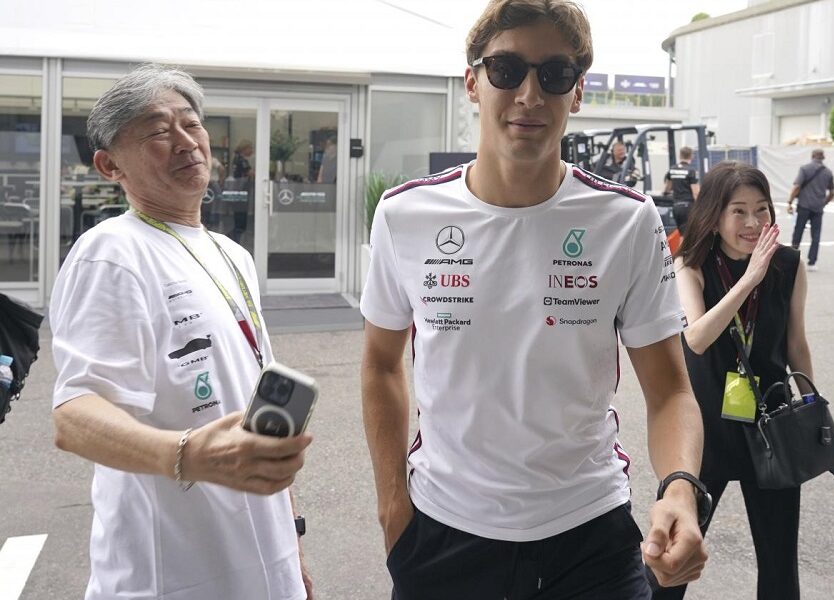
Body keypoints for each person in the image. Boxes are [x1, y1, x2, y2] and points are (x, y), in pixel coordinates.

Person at [360, 1, 708, 598]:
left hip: (588, 534)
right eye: (506, 69)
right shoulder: (404, 215)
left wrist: (679, 487)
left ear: (577, 92)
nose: (529, 95)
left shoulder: (626, 220)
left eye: (554, 74)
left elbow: (671, 389)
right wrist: (392, 504)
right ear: (473, 82)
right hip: (443, 532)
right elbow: (380, 363)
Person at [49, 64, 313, 600]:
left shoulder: (231, 254)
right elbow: (74, 416)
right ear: (109, 165)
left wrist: (292, 544)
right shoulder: (113, 252)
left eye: (191, 124)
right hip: (172, 575)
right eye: (157, 131)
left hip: (265, 565)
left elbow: (254, 403)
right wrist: (186, 454)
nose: (186, 142)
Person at [660, 161, 812, 600]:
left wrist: (813, 407)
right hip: (706, 428)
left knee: (780, 561)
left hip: (771, 424)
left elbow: (796, 344)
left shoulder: (788, 264)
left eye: (762, 209)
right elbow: (697, 337)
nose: (753, 222)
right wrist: (749, 280)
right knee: (674, 555)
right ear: (714, 216)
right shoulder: (691, 263)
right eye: (739, 211)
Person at [787, 148, 834, 271]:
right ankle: (812, 262)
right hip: (818, 208)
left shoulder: (804, 169)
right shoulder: (828, 172)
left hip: (804, 206)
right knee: (816, 235)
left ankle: (792, 259)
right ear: (823, 157)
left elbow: (797, 187)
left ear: (812, 156)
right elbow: (832, 193)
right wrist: (824, 203)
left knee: (798, 231)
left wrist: (790, 202)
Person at [663, 146, 700, 235]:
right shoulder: (692, 171)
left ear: (680, 155)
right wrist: (701, 207)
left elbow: (667, 188)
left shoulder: (672, 169)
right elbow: (696, 193)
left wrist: (666, 193)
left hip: (676, 207)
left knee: (682, 234)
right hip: (688, 207)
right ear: (691, 156)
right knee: (688, 235)